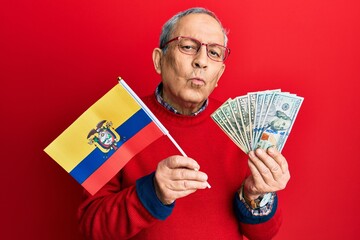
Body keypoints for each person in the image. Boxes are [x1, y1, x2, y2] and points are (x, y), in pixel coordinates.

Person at [78, 7, 290, 239]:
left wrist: (256, 195)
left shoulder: (242, 124)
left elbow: (264, 234)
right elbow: (93, 228)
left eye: (215, 53)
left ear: (219, 74)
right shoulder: (116, 123)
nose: (201, 61)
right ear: (159, 60)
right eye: (188, 46)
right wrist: (152, 193)